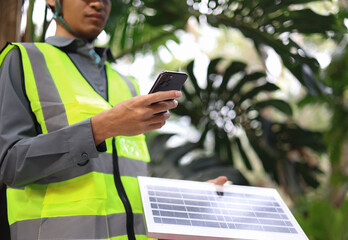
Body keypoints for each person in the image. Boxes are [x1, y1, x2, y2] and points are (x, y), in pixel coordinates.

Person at [0, 0, 227, 239]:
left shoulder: (126, 83)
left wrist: (189, 200)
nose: (98, 3)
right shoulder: (22, 60)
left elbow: (127, 181)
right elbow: (7, 164)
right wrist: (103, 127)